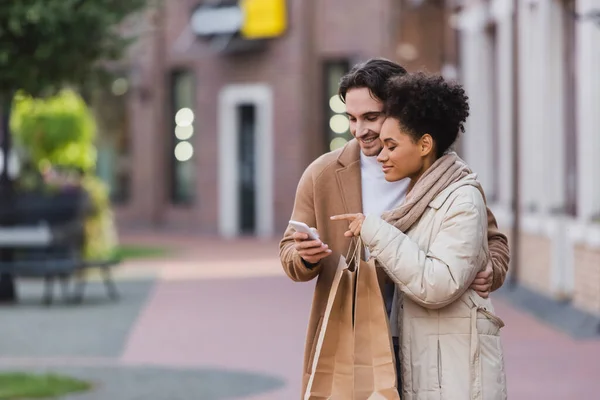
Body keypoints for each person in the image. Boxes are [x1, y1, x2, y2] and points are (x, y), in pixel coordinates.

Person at [279, 58, 510, 397]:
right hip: (354, 336)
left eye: (371, 117)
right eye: (352, 119)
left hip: (425, 332)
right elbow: (288, 251)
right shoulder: (323, 174)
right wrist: (304, 256)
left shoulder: (438, 172)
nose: (360, 130)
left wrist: (491, 268)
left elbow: (493, 241)